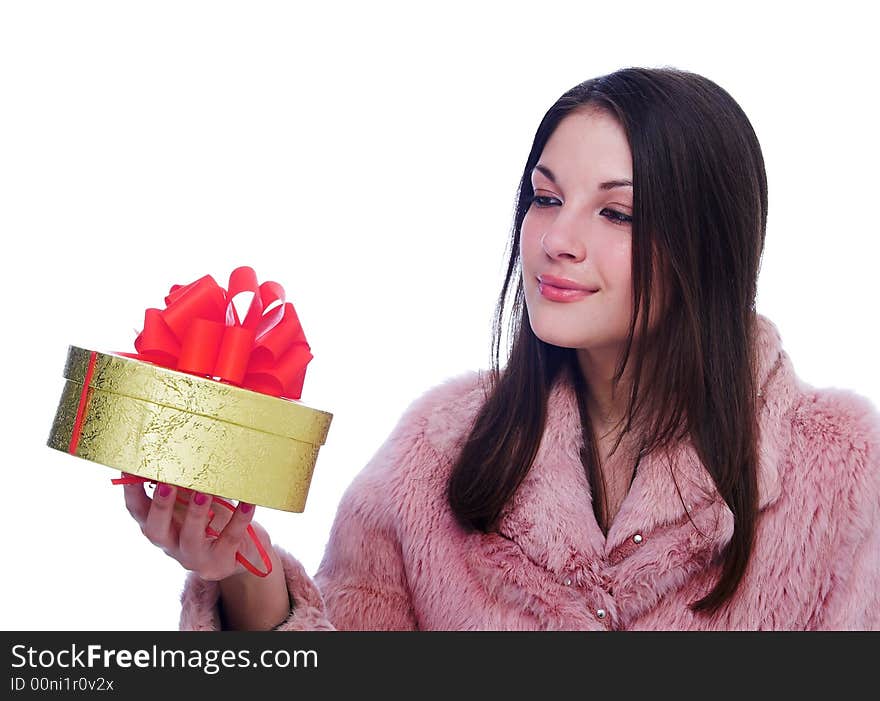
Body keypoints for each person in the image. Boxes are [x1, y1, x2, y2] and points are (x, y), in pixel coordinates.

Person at [123, 66, 880, 630]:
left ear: (709, 245)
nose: (557, 241)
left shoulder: (841, 472)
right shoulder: (436, 451)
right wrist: (240, 577)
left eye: (616, 213)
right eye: (546, 198)